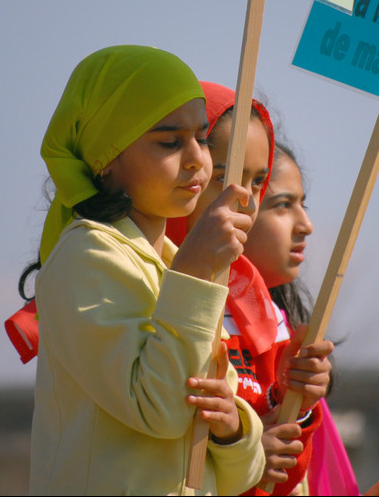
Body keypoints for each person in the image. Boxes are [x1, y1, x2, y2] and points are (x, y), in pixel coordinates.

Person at [26, 46, 264, 495]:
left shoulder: (176, 262)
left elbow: (240, 476)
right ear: (107, 157)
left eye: (203, 137)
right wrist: (193, 273)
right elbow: (160, 409)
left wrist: (233, 428)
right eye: (170, 142)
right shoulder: (84, 256)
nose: (196, 157)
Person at [164, 83, 333, 497]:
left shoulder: (265, 317)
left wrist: (297, 402)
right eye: (222, 177)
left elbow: (283, 478)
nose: (245, 201)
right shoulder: (142, 286)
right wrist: (246, 452)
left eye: (257, 182)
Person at [253, 141, 379, 497]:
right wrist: (244, 454)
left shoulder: (285, 327)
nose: (306, 225)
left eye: (302, 204)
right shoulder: (198, 324)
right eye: (282, 205)